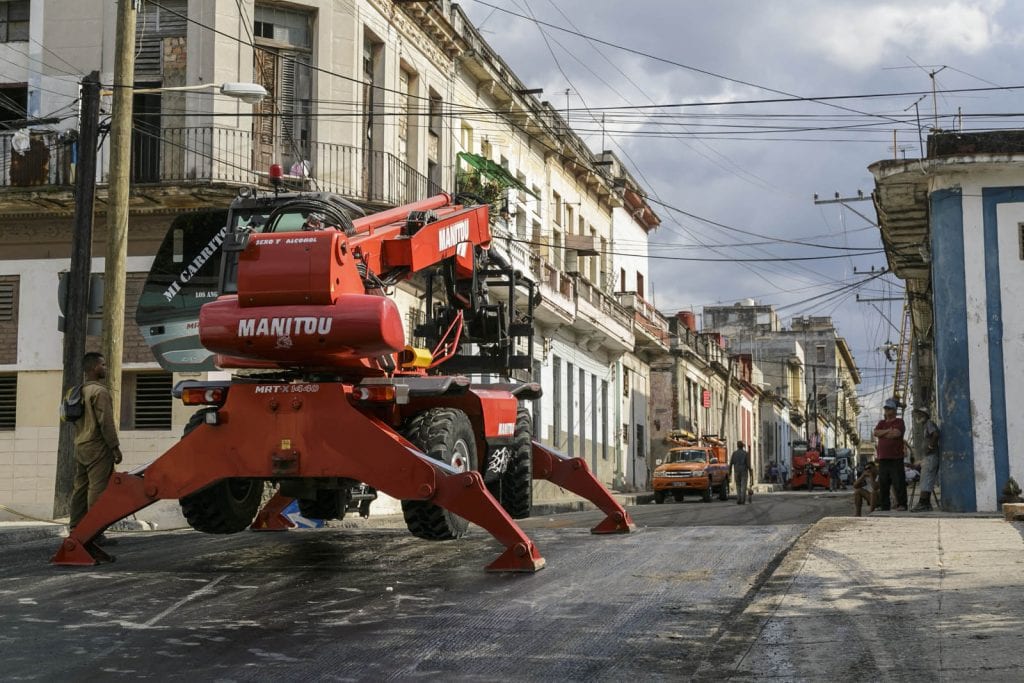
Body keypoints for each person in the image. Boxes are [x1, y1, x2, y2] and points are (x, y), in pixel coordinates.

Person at [69, 352, 123, 545]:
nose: (105, 368)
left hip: (80, 445)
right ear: (93, 368)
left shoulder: (79, 390)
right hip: (97, 447)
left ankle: (75, 527)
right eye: (103, 364)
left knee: (80, 489)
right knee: (97, 490)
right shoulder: (99, 392)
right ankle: (95, 532)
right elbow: (106, 423)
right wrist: (115, 447)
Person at [873, 398, 907, 511]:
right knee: (883, 483)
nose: (886, 410)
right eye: (886, 408)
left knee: (898, 482)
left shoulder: (899, 422)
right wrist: (888, 431)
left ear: (894, 410)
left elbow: (896, 434)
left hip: (896, 457)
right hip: (883, 458)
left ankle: (902, 504)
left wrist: (883, 434)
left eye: (889, 408)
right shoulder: (881, 423)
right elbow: (876, 432)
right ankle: (884, 505)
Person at [911, 407, 941, 511]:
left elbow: (936, 434)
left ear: (924, 415)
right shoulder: (926, 426)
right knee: (925, 480)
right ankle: (926, 504)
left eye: (919, 414)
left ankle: (923, 504)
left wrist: (930, 447)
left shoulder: (929, 423)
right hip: (928, 457)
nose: (917, 417)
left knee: (926, 479)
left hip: (931, 456)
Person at [730, 440, 753, 505]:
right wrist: (750, 471)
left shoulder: (734, 453)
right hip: (744, 472)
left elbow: (731, 463)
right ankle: (742, 500)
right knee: (743, 486)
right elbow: (748, 464)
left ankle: (738, 499)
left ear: (737, 446)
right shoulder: (746, 454)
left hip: (736, 471)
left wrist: (729, 473)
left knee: (738, 486)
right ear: (743, 446)